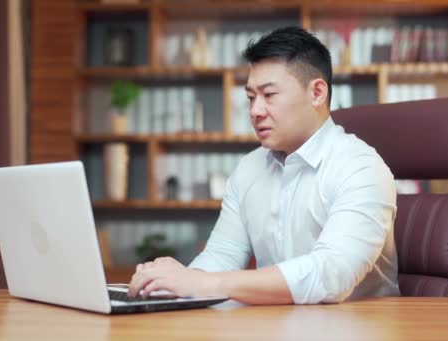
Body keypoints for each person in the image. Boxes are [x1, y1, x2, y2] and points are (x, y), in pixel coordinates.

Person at [128, 26, 400, 304]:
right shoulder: (250, 167)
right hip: (274, 325)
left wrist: (205, 282)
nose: (255, 111)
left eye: (269, 95)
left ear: (317, 93)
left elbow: (330, 276)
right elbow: (222, 255)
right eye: (250, 97)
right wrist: (174, 285)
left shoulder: (361, 169)